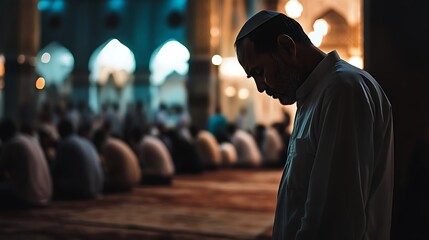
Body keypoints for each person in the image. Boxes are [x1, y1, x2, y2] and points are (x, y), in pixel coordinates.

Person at [235, 10, 394, 239]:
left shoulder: (342, 89)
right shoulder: (313, 95)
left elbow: (333, 216)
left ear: (287, 47)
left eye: (259, 72)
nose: (261, 87)